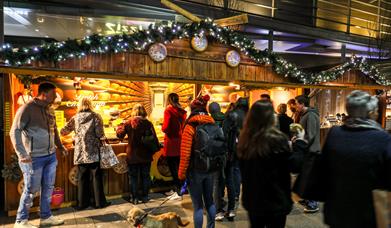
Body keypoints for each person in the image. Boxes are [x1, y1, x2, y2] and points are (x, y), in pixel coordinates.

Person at [320, 90, 391, 228]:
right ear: (370, 113)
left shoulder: (335, 134)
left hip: (337, 208)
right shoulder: (382, 138)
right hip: (369, 212)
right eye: (375, 110)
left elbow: (324, 168)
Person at [10, 82, 68, 228]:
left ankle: (46, 217)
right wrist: (21, 153)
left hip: (50, 156)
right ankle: (20, 221)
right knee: (31, 190)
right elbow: (15, 131)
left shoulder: (49, 109)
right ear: (44, 94)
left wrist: (60, 147)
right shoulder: (27, 109)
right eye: (53, 94)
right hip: (32, 158)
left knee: (48, 188)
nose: (55, 97)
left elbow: (53, 130)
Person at [237, 100, 293, 228]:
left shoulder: (245, 140)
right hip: (276, 199)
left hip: (254, 200)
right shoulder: (278, 139)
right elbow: (289, 168)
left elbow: (243, 170)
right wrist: (300, 143)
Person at [61, 97, 110, 210]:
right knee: (96, 177)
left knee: (82, 177)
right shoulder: (96, 116)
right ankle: (99, 203)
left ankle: (82, 204)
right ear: (91, 104)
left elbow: (63, 131)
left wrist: (75, 135)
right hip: (93, 151)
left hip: (80, 152)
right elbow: (99, 133)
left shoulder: (75, 117)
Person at [178, 95, 216, 228]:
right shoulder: (212, 123)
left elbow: (185, 153)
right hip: (210, 168)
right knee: (210, 202)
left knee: (198, 206)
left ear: (192, 109)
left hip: (195, 171)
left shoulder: (190, 126)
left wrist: (181, 174)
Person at [116, 103, 159, 204]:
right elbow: (154, 138)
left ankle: (134, 198)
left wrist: (119, 126)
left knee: (133, 177)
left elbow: (120, 135)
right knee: (145, 176)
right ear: (144, 111)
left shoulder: (128, 123)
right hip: (145, 155)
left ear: (133, 111)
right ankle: (145, 196)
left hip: (133, 155)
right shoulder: (148, 123)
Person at [209, 102, 235, 221]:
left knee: (216, 183)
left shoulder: (209, 121)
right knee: (230, 182)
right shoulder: (228, 120)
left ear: (210, 111)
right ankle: (231, 210)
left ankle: (218, 211)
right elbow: (233, 139)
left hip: (216, 157)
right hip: (228, 155)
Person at [295, 94, 320, 213]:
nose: (295, 106)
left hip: (311, 150)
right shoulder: (305, 114)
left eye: (296, 103)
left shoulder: (310, 115)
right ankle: (307, 198)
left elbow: (311, 134)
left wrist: (300, 140)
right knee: (306, 175)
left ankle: (313, 203)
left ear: (302, 104)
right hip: (307, 150)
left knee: (310, 177)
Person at [224, 97, 249, 203]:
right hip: (246, 146)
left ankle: (234, 194)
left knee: (232, 170)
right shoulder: (250, 115)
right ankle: (237, 194)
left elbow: (225, 131)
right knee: (239, 170)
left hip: (233, 145)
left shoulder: (231, 114)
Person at [162, 93, 187, 200]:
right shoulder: (182, 111)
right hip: (180, 142)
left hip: (171, 143)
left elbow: (166, 127)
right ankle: (179, 189)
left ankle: (178, 191)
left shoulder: (169, 110)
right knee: (179, 168)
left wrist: (163, 128)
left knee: (173, 169)